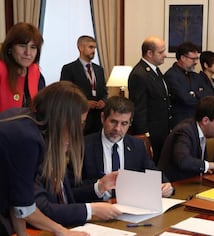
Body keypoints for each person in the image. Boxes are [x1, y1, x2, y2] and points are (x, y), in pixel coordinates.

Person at [0, 81, 93, 235]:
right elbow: (25, 208)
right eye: (79, 124)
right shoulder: (28, 139)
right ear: (63, 120)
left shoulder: (23, 119)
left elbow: (18, 203)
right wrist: (62, 231)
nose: (78, 132)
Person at [70, 96, 174, 203]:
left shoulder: (137, 146)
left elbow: (154, 174)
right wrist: (98, 187)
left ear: (130, 123)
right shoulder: (82, 146)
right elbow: (71, 190)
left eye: (124, 123)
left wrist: (167, 187)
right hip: (96, 209)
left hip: (130, 207)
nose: (118, 129)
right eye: (113, 122)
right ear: (102, 118)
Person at [158, 96, 214, 182]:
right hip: (174, 186)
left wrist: (207, 168)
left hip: (191, 182)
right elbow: (183, 161)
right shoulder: (185, 131)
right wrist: (210, 165)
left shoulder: (201, 132)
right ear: (205, 120)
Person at [128, 36, 171, 164]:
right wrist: (145, 138)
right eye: (161, 52)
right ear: (149, 53)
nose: (165, 55)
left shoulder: (155, 71)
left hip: (161, 133)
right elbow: (139, 109)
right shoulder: (139, 74)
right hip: (151, 135)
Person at [60, 35, 108, 135]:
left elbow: (104, 91)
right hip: (79, 119)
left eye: (95, 47)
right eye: (90, 47)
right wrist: (84, 103)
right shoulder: (69, 69)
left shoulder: (99, 69)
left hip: (98, 120)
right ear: (80, 47)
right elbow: (65, 94)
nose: (94, 50)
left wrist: (103, 101)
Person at [164, 42, 214, 128]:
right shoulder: (171, 75)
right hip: (180, 123)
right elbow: (185, 99)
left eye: (196, 59)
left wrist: (193, 94)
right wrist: (198, 94)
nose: (196, 62)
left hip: (197, 122)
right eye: (193, 59)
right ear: (183, 58)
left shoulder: (195, 76)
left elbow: (209, 94)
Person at [0, 22, 45, 112]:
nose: (27, 53)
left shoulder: (35, 71)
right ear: (10, 47)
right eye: (22, 46)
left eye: (33, 47)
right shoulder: (1, 70)